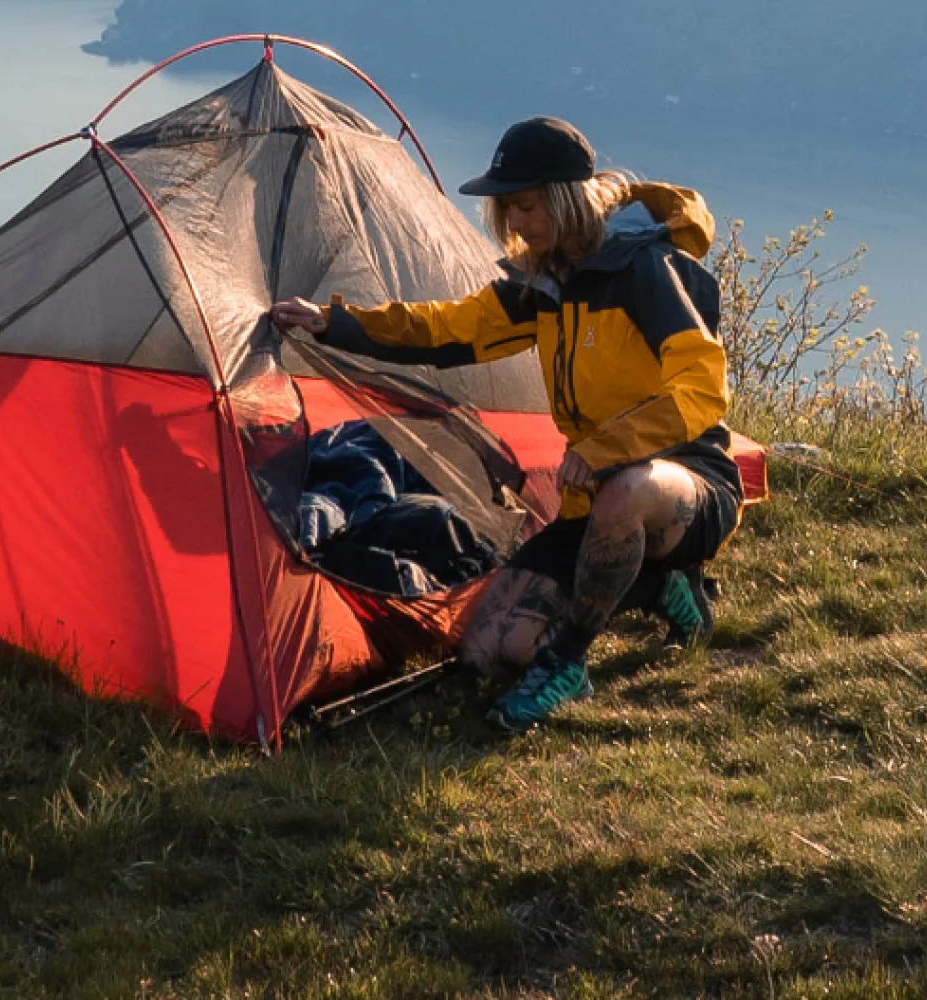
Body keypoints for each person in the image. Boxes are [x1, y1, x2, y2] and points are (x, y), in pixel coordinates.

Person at [268, 114, 744, 733]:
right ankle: (660, 586)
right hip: (593, 496)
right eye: (508, 209)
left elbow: (703, 387)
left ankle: (569, 667)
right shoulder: (544, 284)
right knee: (489, 649)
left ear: (566, 200)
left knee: (626, 493)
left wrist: (607, 448)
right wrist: (335, 323)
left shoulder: (644, 271)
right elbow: (446, 330)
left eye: (526, 206)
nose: (514, 222)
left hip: (687, 479)